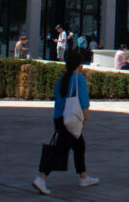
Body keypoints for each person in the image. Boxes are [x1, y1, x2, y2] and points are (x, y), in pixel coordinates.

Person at [33, 51, 99, 195]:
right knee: (60, 151)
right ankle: (41, 178)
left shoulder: (61, 80)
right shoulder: (79, 79)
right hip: (71, 120)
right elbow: (84, 102)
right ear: (80, 65)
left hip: (59, 118)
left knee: (79, 145)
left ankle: (84, 176)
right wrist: (85, 119)